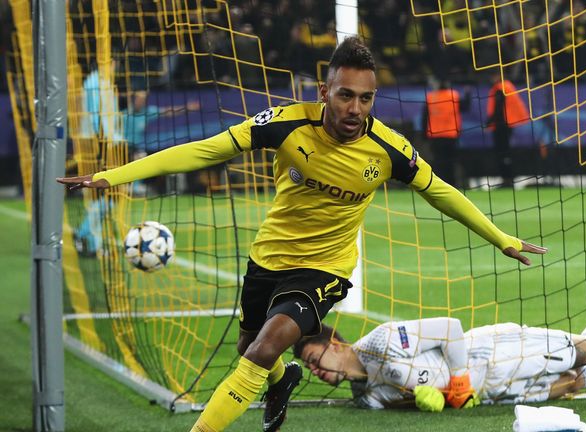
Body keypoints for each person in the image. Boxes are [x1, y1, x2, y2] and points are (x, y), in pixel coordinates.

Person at [56, 37, 548, 432]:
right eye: (346, 95)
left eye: (366, 97)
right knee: (250, 346)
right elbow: (206, 151)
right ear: (324, 92)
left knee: (265, 346)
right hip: (268, 257)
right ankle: (277, 385)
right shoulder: (286, 125)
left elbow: (440, 191)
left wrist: (499, 237)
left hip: (325, 268)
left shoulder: (388, 149)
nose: (356, 108)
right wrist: (112, 176)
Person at [293, 310, 586, 411]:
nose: (315, 370)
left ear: (334, 342)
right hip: (488, 394)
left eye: (314, 358)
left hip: (489, 354)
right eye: (311, 368)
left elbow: (449, 328)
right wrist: (429, 400)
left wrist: (461, 378)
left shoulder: (380, 342)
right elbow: (410, 400)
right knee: (570, 384)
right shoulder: (364, 398)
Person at [422, 80, 471, 186]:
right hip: (451, 135)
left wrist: (424, 136)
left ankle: (439, 185)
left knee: (438, 163)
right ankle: (452, 185)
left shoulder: (430, 97)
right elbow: (466, 107)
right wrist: (468, 93)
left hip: (435, 135)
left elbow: (424, 118)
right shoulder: (454, 95)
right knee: (451, 163)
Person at [486, 73, 529, 185]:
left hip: (502, 125)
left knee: (502, 153)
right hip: (508, 124)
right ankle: (508, 178)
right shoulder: (508, 86)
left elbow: (498, 108)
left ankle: (507, 179)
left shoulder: (500, 89)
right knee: (506, 152)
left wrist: (489, 122)